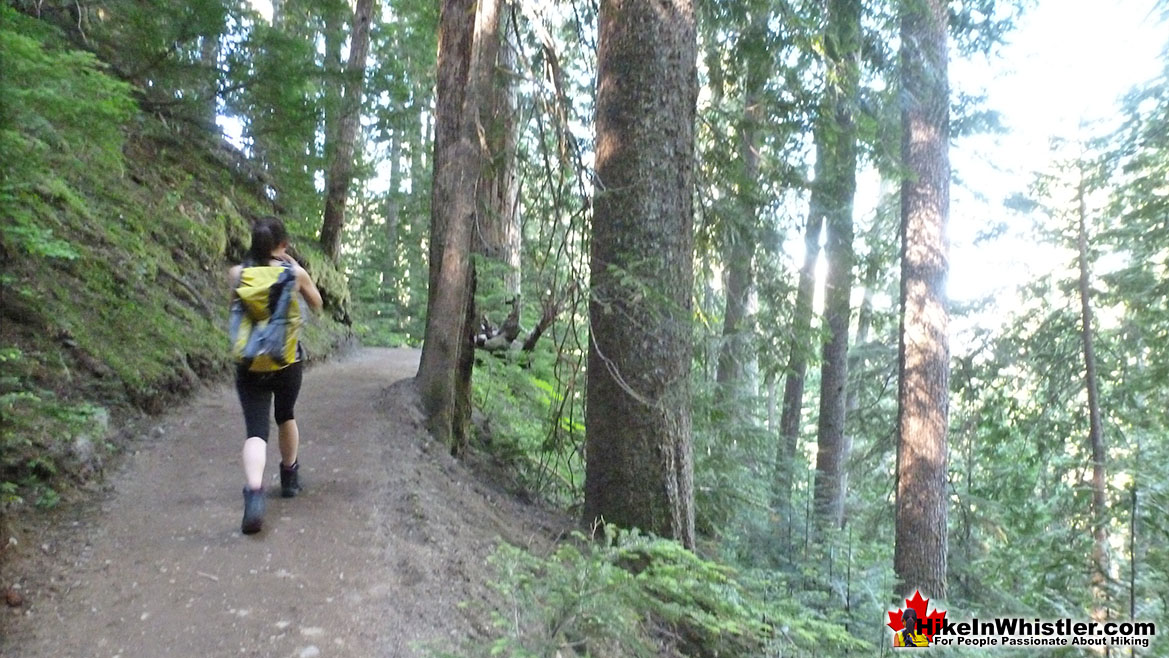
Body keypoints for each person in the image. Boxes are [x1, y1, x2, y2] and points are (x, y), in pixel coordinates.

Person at [229, 216, 322, 534]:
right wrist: (294, 270)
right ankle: (289, 477)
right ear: (282, 246)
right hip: (286, 361)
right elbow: (318, 304)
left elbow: (237, 308)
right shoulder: (294, 274)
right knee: (285, 415)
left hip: (250, 363)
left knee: (256, 429)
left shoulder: (237, 275)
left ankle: (255, 494)